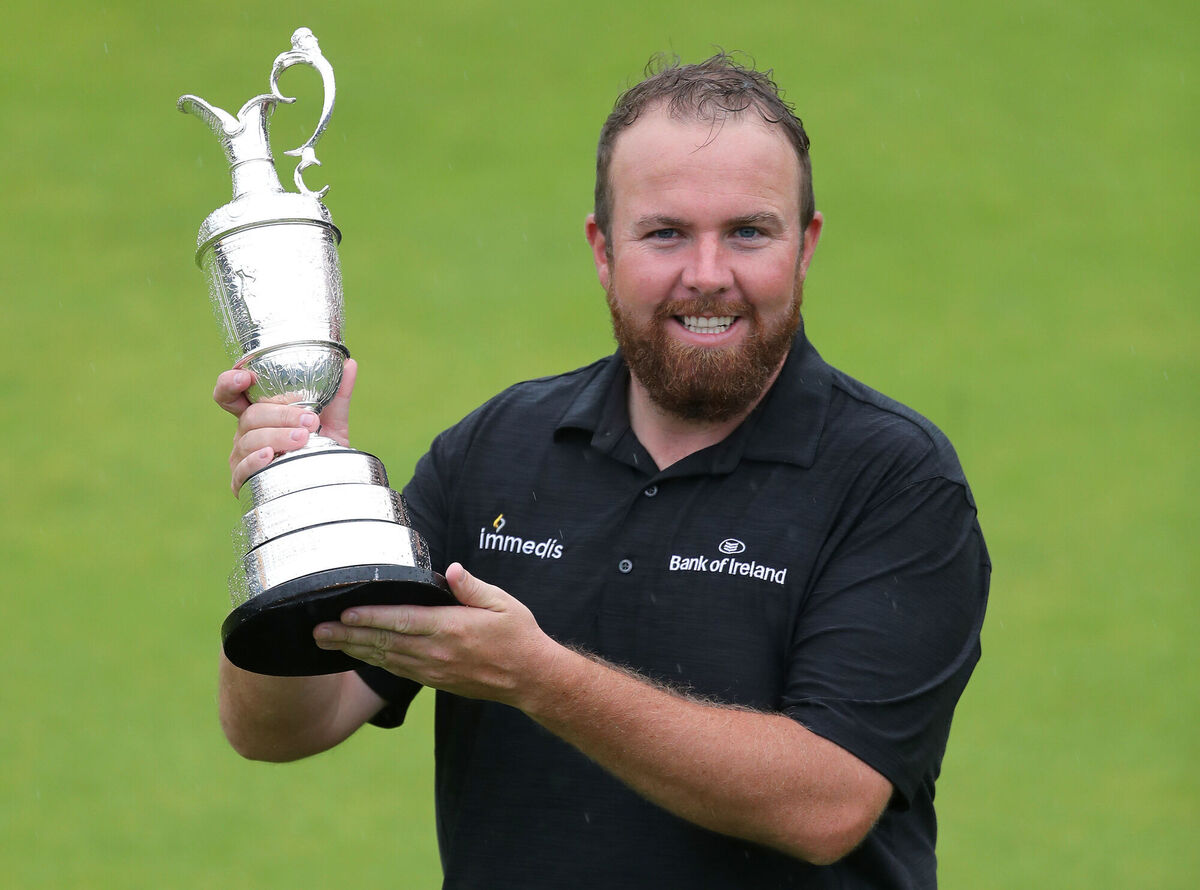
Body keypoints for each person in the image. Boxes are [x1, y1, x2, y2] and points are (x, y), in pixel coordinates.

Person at [212, 54, 989, 889]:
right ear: (601, 247)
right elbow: (286, 725)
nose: (707, 275)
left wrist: (541, 679)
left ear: (806, 246)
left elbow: (826, 804)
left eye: (748, 232)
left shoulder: (895, 481)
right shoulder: (498, 450)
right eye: (665, 233)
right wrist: (296, 508)